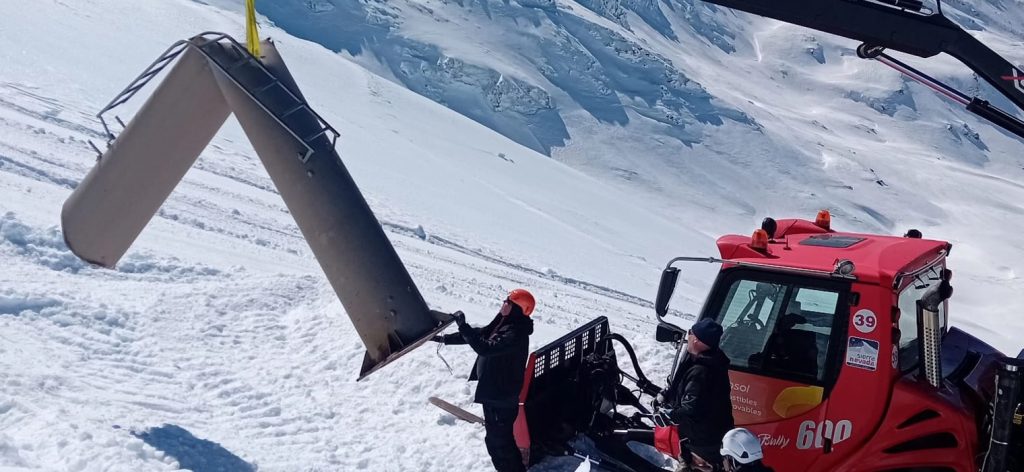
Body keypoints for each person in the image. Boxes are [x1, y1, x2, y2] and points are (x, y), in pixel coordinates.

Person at [432, 289, 536, 472]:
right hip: (496, 396)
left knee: (500, 445)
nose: (503, 304)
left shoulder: (515, 333)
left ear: (517, 309)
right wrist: (443, 339)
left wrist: (463, 326)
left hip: (501, 399)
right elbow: (481, 334)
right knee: (499, 442)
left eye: (508, 302)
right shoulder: (505, 323)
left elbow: (485, 348)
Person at [657, 318, 734, 471]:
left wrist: (668, 416)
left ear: (697, 340)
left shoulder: (701, 371)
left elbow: (690, 408)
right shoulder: (711, 361)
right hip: (712, 436)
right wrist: (667, 394)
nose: (688, 336)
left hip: (702, 442)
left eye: (690, 333)